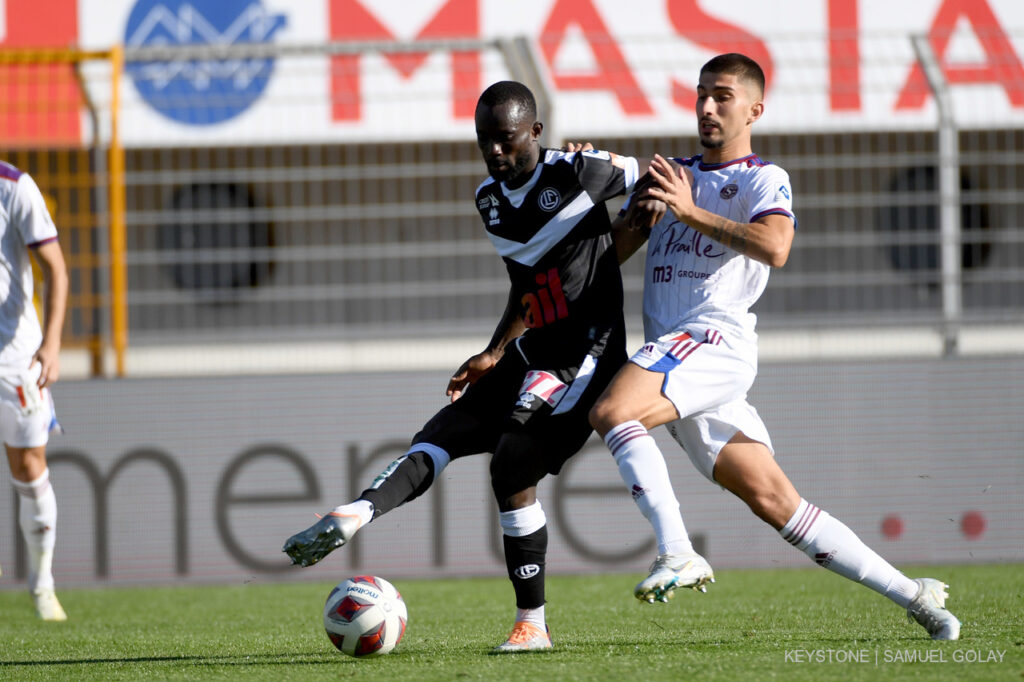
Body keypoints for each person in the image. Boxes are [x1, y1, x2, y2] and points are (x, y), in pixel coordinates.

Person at [588, 53, 961, 640]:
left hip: (713, 339)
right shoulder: (670, 173)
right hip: (675, 354)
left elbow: (774, 246)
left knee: (613, 412)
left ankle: (678, 550)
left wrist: (690, 210)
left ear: (754, 109)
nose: (708, 107)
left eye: (724, 97)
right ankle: (916, 597)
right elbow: (606, 265)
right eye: (702, 94)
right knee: (774, 500)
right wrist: (637, 220)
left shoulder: (765, 177)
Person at [284, 80, 649, 652]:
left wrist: (642, 211)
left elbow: (661, 176)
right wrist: (495, 351)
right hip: (535, 350)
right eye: (485, 142)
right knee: (440, 432)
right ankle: (357, 511)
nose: (496, 153)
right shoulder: (491, 200)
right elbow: (527, 286)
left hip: (588, 354)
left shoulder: (581, 172)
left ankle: (533, 624)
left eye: (506, 140)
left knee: (510, 464)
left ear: (535, 131)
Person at [0, 161, 69, 621]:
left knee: (28, 466)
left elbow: (56, 270)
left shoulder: (14, 187)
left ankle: (42, 583)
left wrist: (53, 343)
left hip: (14, 358)